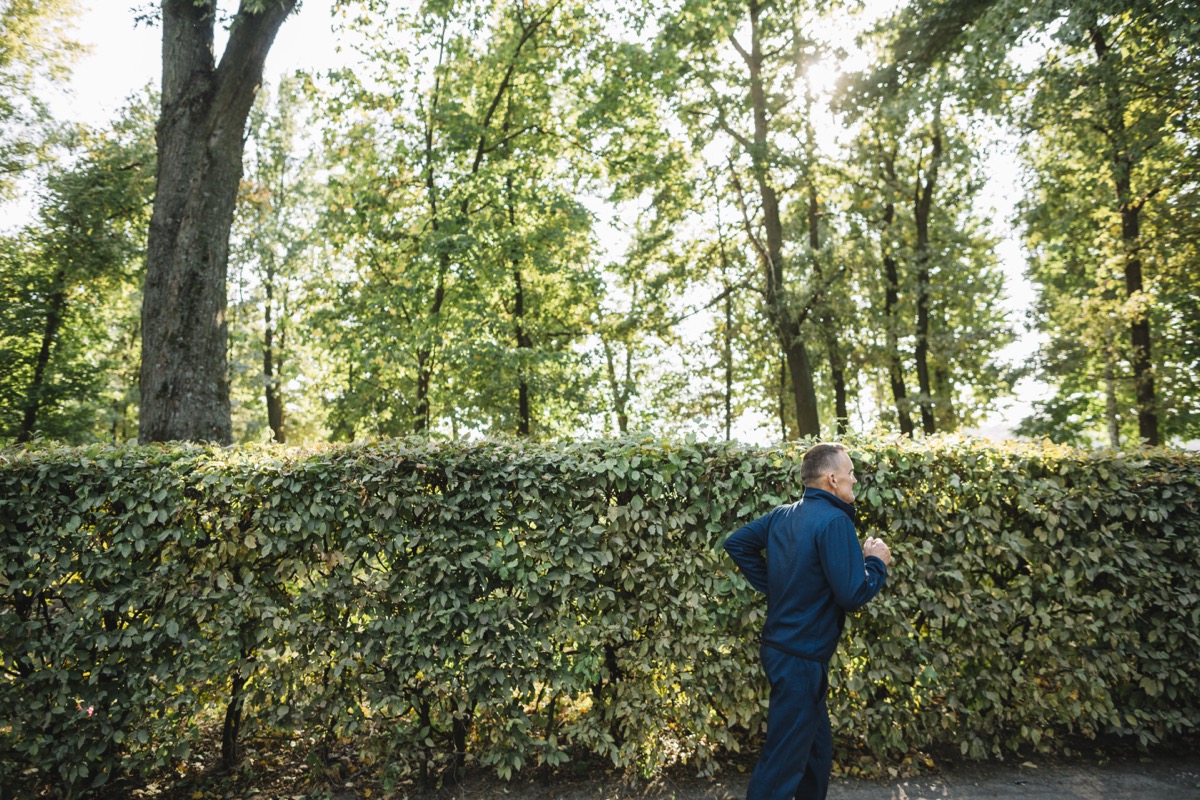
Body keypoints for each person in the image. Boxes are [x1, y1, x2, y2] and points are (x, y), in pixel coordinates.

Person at [723, 442, 892, 800]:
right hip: (800, 658)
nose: (854, 480)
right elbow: (852, 594)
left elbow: (737, 542)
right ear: (832, 479)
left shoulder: (783, 515)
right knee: (782, 764)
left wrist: (779, 585)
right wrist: (876, 562)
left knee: (815, 756)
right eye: (850, 474)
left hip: (787, 652)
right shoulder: (835, 521)